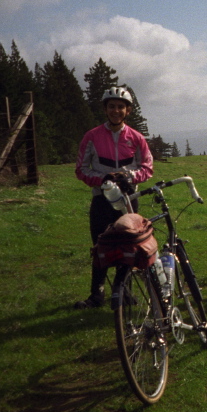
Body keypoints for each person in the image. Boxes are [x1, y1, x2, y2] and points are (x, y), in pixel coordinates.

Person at [74, 86, 153, 309]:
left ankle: (123, 290)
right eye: (112, 106)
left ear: (128, 110)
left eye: (121, 107)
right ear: (105, 109)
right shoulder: (92, 136)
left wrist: (130, 177)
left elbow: (148, 167)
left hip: (129, 200)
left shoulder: (136, 138)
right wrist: (102, 179)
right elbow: (80, 169)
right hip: (102, 199)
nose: (116, 111)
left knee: (129, 246)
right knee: (100, 245)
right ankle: (96, 295)